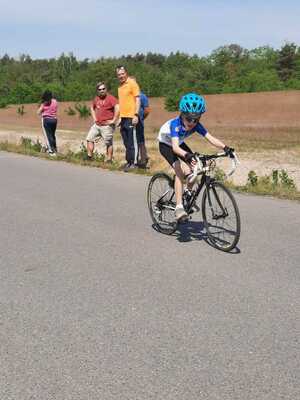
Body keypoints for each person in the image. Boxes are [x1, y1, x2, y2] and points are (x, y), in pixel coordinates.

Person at [158, 92, 234, 221]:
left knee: (195, 168)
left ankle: (187, 193)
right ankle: (179, 207)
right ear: (182, 114)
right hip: (166, 144)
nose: (192, 122)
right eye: (189, 119)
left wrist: (226, 148)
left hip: (179, 143)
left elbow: (210, 138)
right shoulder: (175, 125)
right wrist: (187, 155)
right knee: (179, 170)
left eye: (196, 119)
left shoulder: (196, 125)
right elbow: (175, 148)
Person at [86, 82, 119, 162]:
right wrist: (94, 118)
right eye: (100, 89)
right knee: (89, 139)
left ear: (106, 89)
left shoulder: (111, 98)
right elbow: (92, 108)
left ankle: (109, 160)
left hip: (107, 125)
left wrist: (114, 120)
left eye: (103, 89)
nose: (102, 91)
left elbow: (117, 107)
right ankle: (89, 157)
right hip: (97, 125)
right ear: (97, 91)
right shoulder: (96, 98)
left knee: (108, 143)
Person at [116, 66, 140, 172]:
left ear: (126, 73)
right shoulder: (120, 87)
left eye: (122, 73)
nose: (121, 76)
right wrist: (120, 117)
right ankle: (128, 162)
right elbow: (122, 103)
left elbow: (137, 99)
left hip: (131, 116)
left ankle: (134, 163)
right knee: (126, 142)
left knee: (132, 141)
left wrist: (136, 115)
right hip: (123, 118)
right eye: (119, 74)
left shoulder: (132, 83)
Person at [37, 90, 58, 156]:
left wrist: (42, 107)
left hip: (46, 120)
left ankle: (51, 151)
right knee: (52, 135)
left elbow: (38, 112)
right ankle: (54, 148)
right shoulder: (55, 101)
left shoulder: (44, 104)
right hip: (54, 120)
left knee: (47, 136)